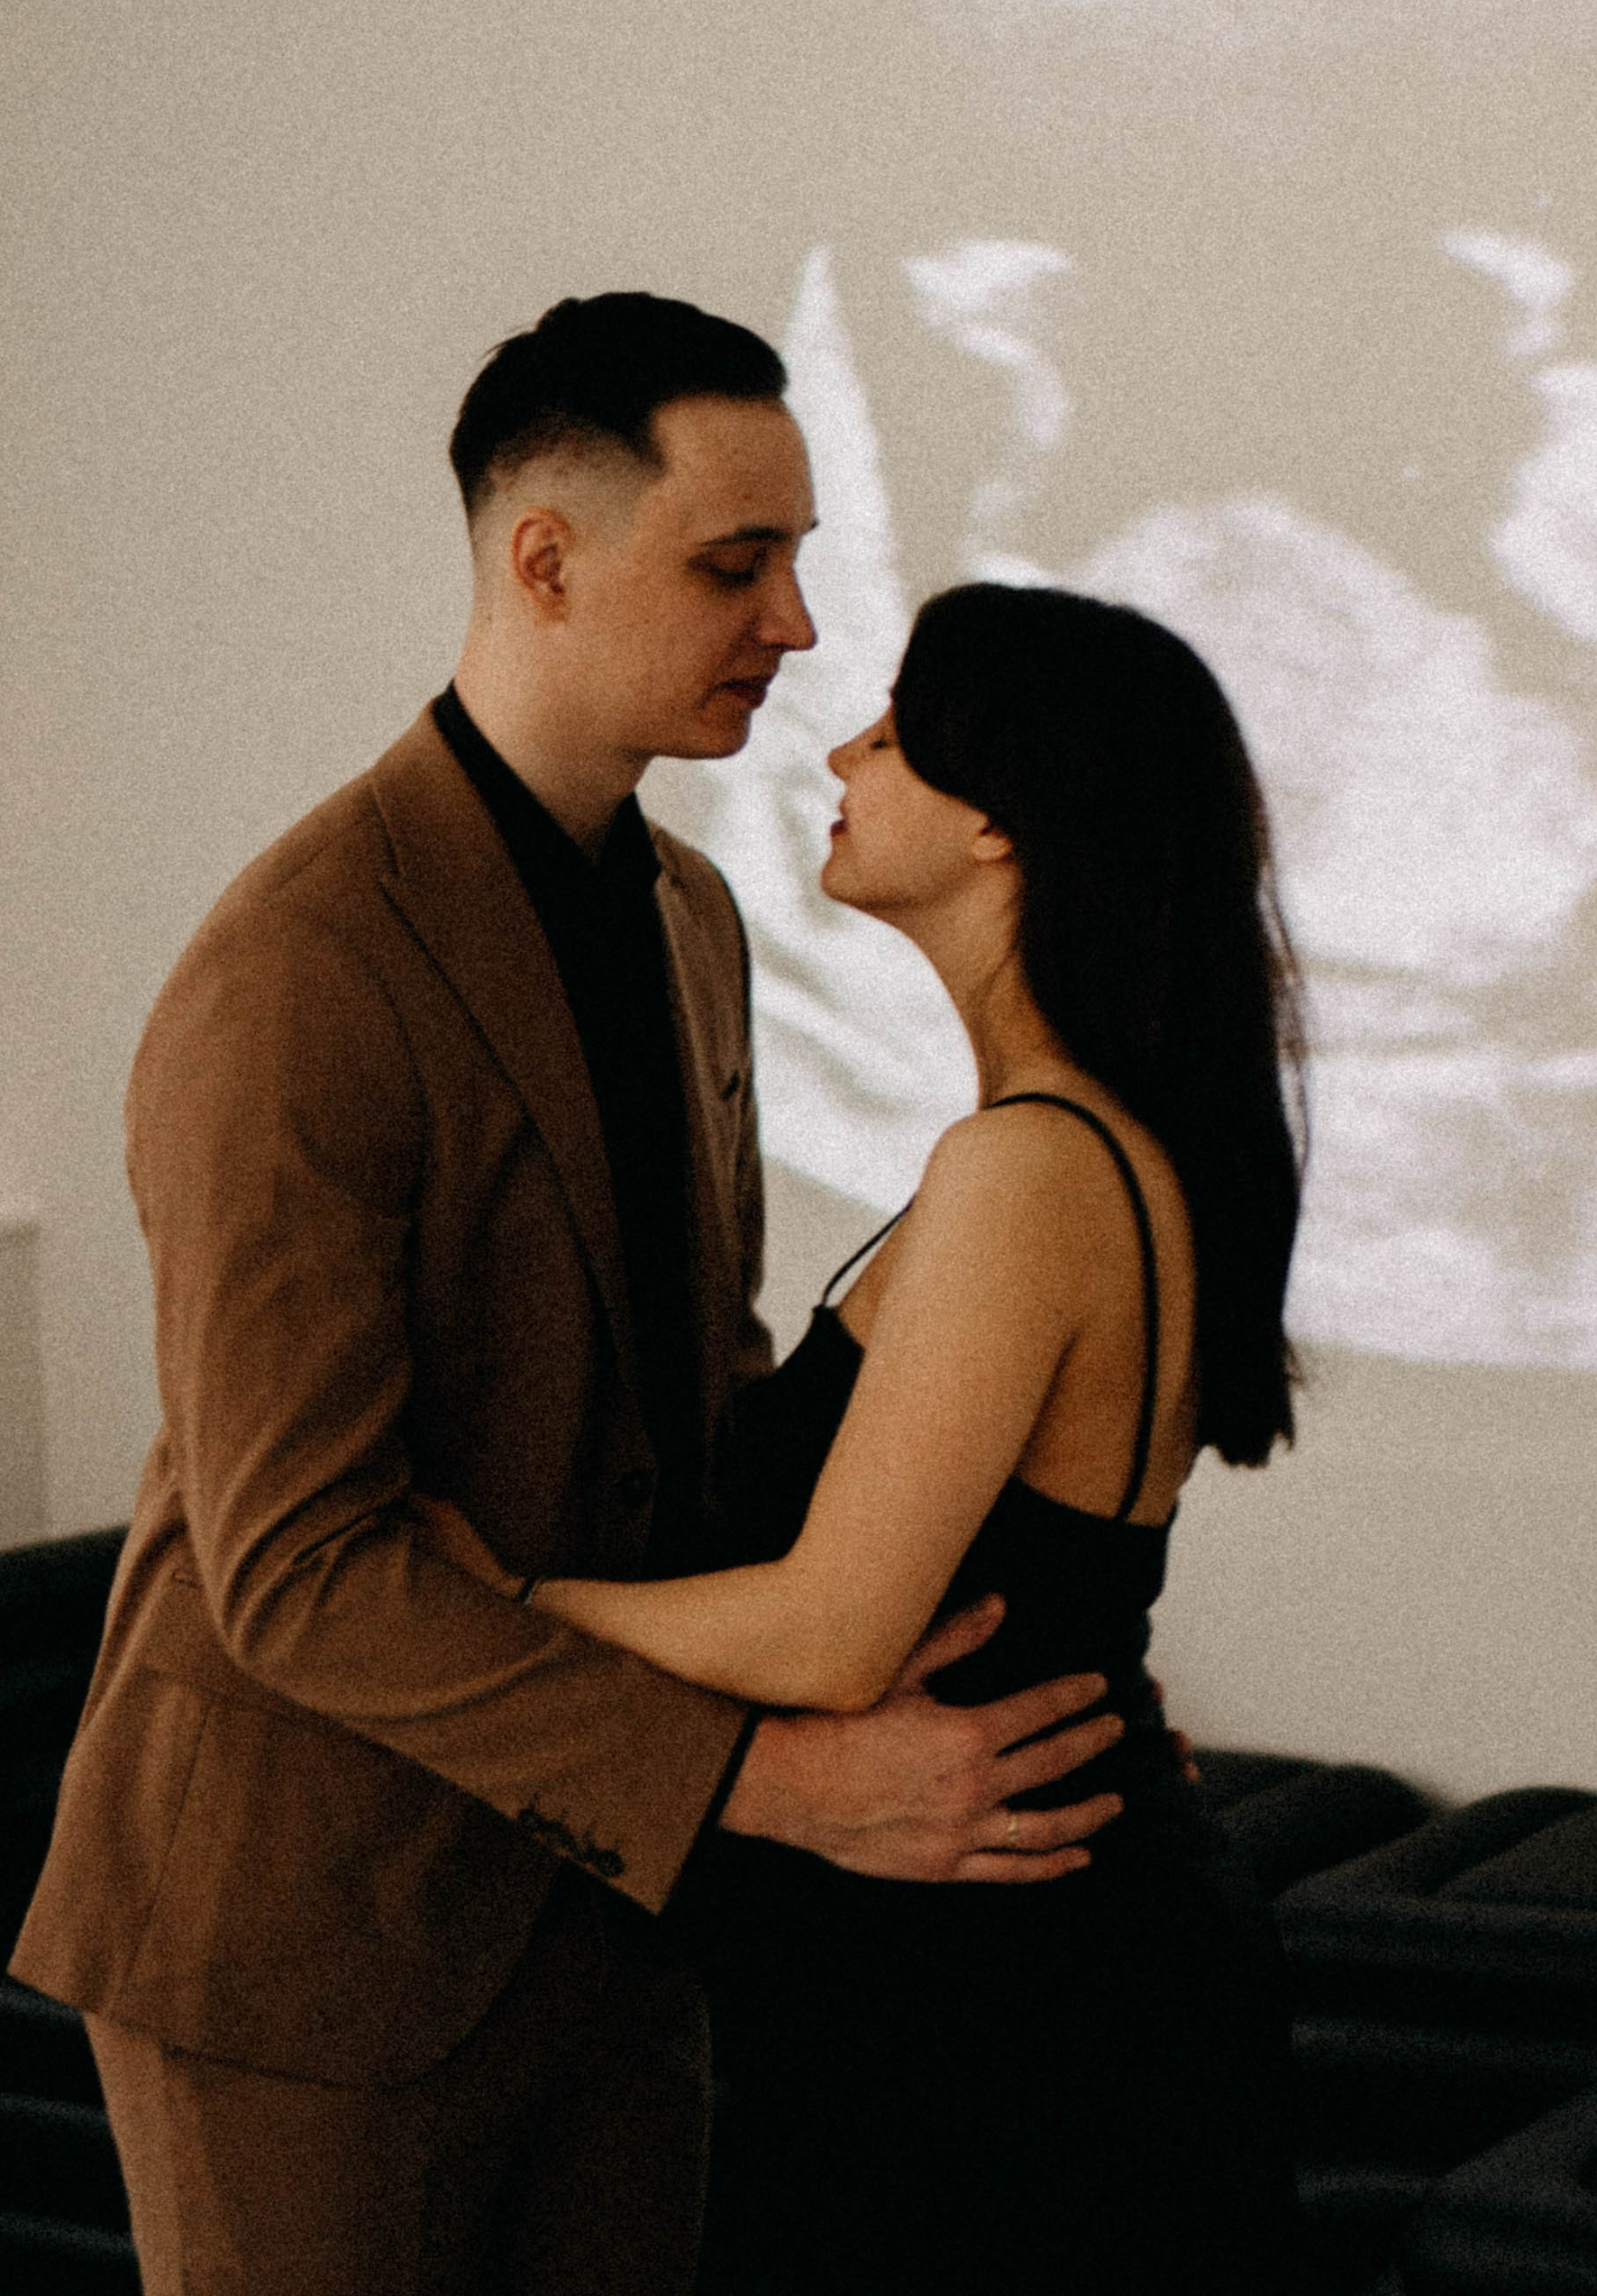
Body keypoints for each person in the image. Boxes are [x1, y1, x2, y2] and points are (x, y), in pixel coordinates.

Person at [10, 293, 1129, 2296]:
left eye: (793, 560)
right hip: (308, 1937)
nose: (794, 625)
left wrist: (1032, 1657)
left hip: (615, 1927)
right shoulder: (299, 975)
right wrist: (772, 1788)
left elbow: (687, 1405)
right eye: (736, 563)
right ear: (543, 559)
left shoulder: (695, 922)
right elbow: (296, 1576)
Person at [419, 577, 1310, 2291]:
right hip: (1006, 1976)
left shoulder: (1034, 1169)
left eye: (897, 734)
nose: (845, 747)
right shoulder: (1076, 1149)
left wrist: (498, 1602)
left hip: (1013, 2018)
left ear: (1002, 825)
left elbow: (832, 1635)